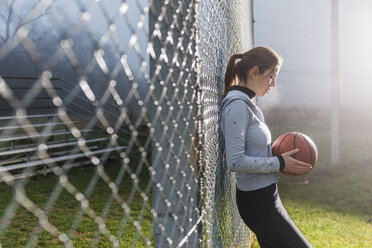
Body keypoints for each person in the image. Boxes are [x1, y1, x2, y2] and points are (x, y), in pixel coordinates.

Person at [220, 46, 313, 248]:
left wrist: (281, 158)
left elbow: (254, 151)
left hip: (267, 196)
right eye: (271, 76)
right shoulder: (236, 106)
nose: (273, 83)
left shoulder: (246, 104)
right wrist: (279, 162)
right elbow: (235, 161)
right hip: (257, 203)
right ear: (254, 72)